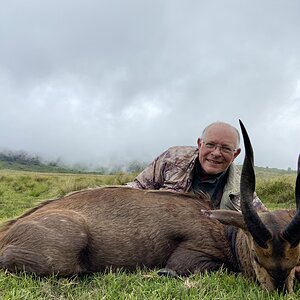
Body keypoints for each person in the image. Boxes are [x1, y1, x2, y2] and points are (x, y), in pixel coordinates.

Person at [127, 121, 267, 212]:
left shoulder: (239, 187)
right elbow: (134, 190)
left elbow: (263, 218)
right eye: (210, 145)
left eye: (225, 148)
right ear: (200, 144)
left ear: (235, 154)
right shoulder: (172, 159)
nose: (216, 153)